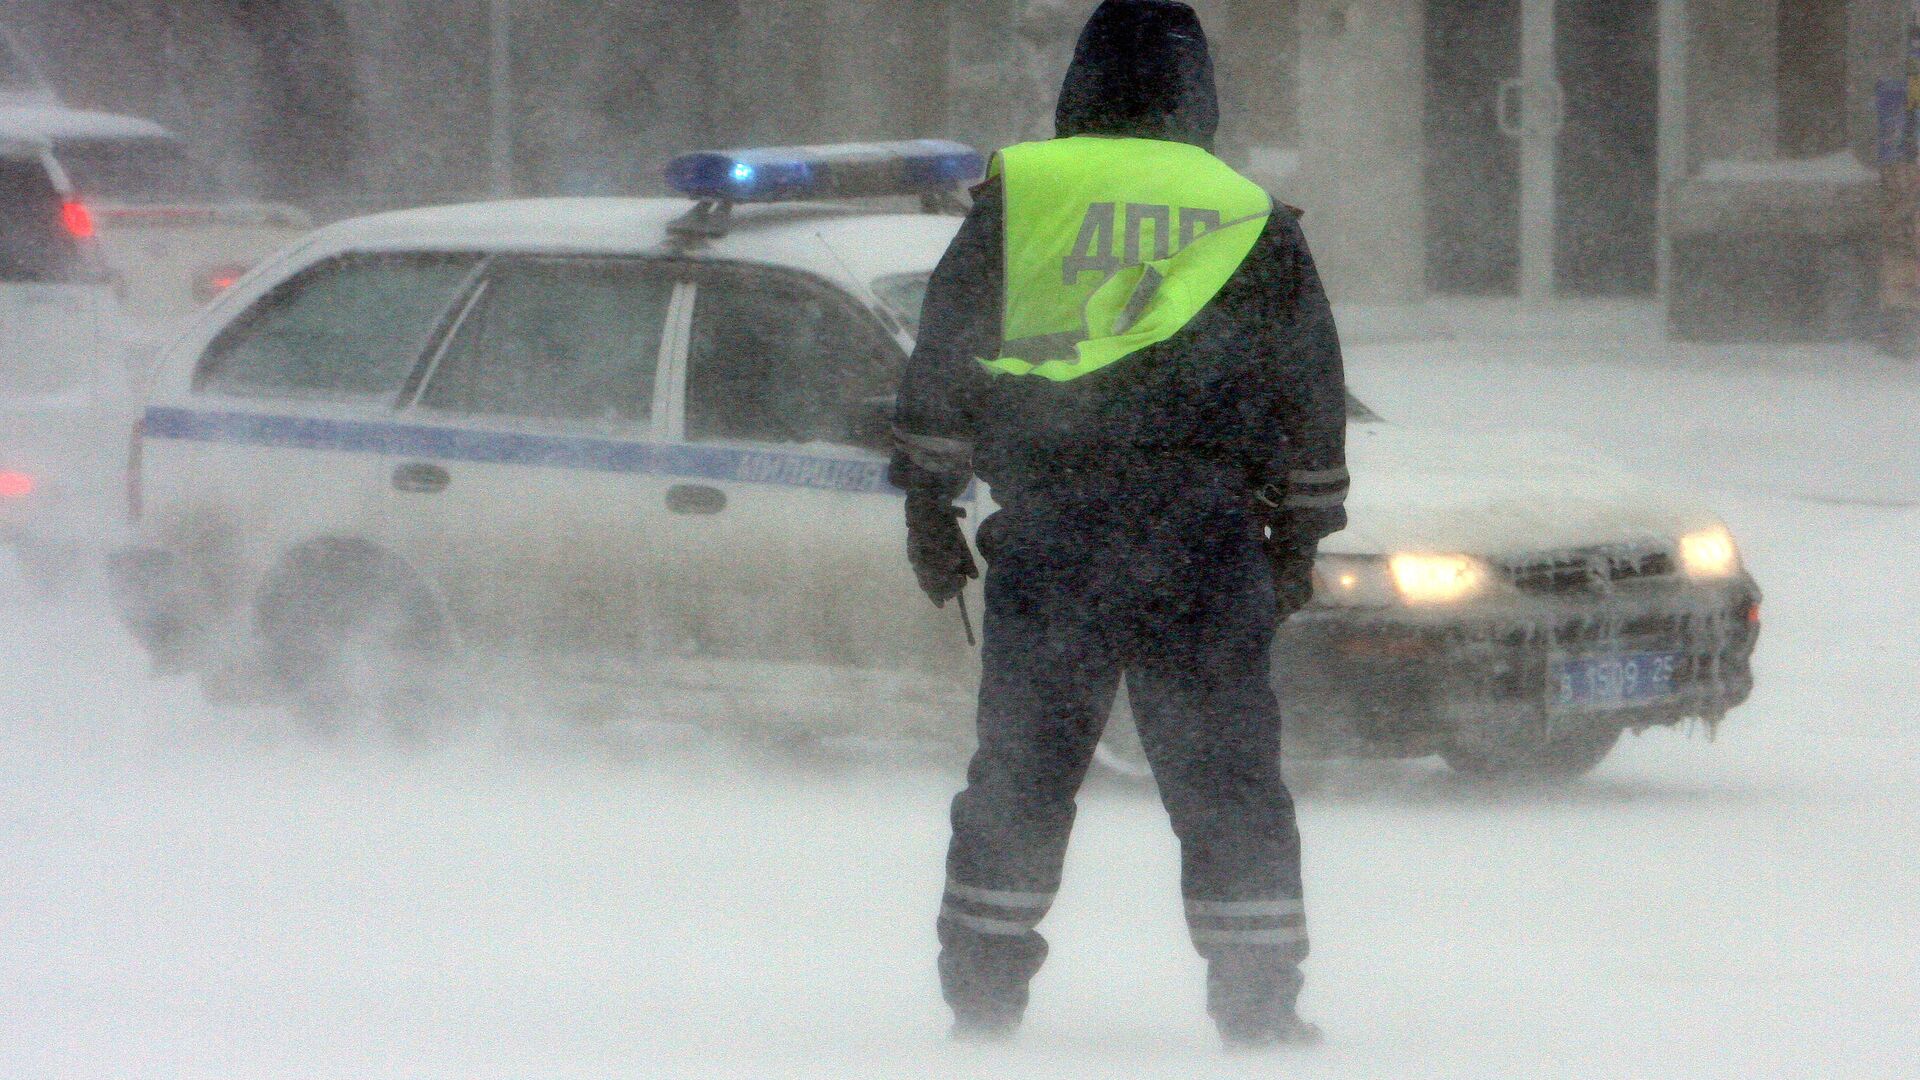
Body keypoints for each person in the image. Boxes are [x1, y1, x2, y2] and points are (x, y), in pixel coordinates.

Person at [887, 0, 1350, 1050]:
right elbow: (1308, 391)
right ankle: (1260, 1011)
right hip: (1205, 540)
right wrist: (1300, 538)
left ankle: (984, 1004)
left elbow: (944, 355)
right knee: (1229, 782)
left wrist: (929, 505)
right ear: (1200, 93)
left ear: (1080, 82)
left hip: (1056, 537)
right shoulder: (1246, 213)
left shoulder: (1027, 197)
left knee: (1022, 774)